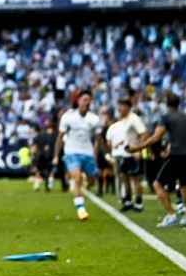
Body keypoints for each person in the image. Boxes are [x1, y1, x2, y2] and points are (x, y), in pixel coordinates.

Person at [129, 91, 186, 228]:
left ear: (167, 104)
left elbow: (156, 138)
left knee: (157, 184)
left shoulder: (166, 117)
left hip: (176, 155)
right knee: (184, 185)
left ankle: (171, 214)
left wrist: (137, 148)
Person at [54, 90, 104, 221]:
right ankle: (81, 209)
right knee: (77, 178)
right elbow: (60, 137)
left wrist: (95, 155)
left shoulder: (94, 119)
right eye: (84, 99)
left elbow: (98, 140)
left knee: (92, 180)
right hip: (71, 151)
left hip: (87, 152)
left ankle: (83, 188)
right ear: (78, 101)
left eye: (89, 100)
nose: (87, 102)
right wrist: (56, 155)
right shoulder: (68, 117)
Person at [105, 98, 146, 212]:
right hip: (125, 153)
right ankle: (128, 201)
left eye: (122, 106)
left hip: (133, 153)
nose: (120, 109)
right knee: (125, 177)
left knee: (136, 179)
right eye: (119, 106)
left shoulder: (134, 119)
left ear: (128, 107)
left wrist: (139, 149)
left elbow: (143, 134)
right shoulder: (124, 120)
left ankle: (138, 202)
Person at [30, 122, 57, 192]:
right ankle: (49, 186)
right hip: (50, 156)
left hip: (40, 156)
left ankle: (37, 185)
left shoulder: (40, 135)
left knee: (38, 171)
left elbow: (34, 147)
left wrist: (33, 155)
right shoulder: (55, 136)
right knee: (50, 171)